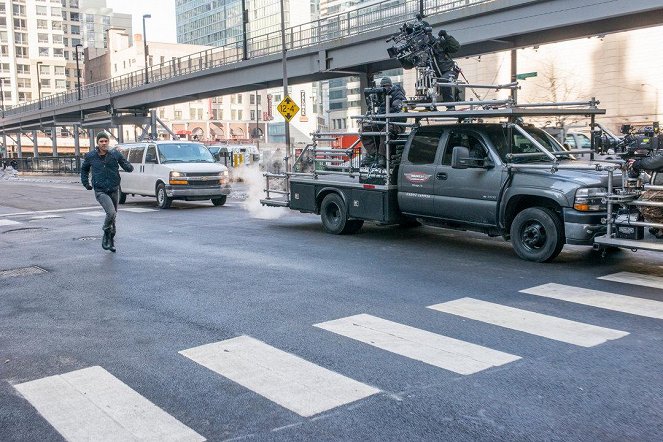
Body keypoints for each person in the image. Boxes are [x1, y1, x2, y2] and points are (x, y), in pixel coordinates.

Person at [80, 131, 134, 252]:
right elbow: (84, 170)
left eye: (106, 141)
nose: (104, 143)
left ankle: (111, 240)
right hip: (100, 190)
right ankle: (105, 231)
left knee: (113, 217)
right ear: (97, 143)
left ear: (108, 142)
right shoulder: (90, 156)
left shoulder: (115, 154)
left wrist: (128, 165)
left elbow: (127, 167)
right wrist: (86, 183)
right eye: (101, 141)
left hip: (114, 189)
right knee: (111, 212)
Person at [361, 76, 407, 168]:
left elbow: (399, 108)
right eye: (382, 86)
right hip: (382, 122)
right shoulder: (380, 96)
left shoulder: (397, 94)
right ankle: (374, 154)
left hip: (396, 124)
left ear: (390, 86)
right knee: (365, 130)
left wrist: (393, 106)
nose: (384, 88)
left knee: (385, 132)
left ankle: (382, 157)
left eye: (386, 86)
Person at [628, 153, 663, 238]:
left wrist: (637, 163)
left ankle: (660, 228)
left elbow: (654, 162)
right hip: (658, 188)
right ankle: (659, 228)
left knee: (644, 203)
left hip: (660, 189)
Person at [431, 29, 461, 108]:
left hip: (450, 70)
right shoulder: (422, 49)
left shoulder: (438, 44)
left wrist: (446, 36)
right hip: (434, 74)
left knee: (444, 80)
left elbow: (456, 47)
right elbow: (409, 65)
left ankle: (450, 106)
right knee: (422, 83)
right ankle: (430, 107)